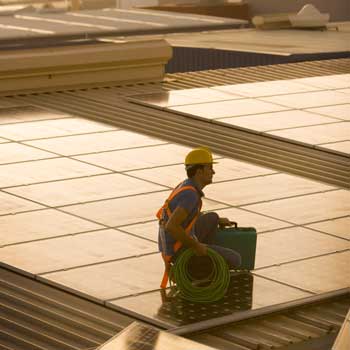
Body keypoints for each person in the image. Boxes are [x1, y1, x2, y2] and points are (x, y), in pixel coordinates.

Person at [157, 147, 241, 288]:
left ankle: (202, 257)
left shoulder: (187, 185)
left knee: (213, 217)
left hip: (171, 243)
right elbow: (171, 226)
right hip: (177, 250)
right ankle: (194, 270)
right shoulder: (190, 195)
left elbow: (185, 216)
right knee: (235, 259)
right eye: (210, 168)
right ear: (199, 171)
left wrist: (218, 220)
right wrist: (196, 246)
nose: (213, 172)